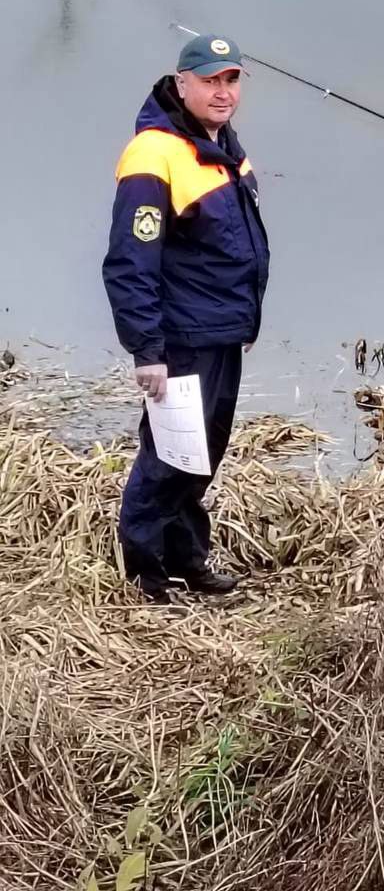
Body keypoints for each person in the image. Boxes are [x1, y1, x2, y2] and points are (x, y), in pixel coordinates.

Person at [103, 34, 270, 602]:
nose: (223, 92)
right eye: (210, 80)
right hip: (180, 338)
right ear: (182, 84)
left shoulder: (223, 144)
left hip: (222, 330)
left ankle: (186, 557)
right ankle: (145, 574)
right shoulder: (154, 153)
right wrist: (146, 350)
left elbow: (232, 245)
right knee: (170, 454)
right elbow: (130, 261)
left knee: (204, 453)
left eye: (231, 79)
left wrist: (245, 321)